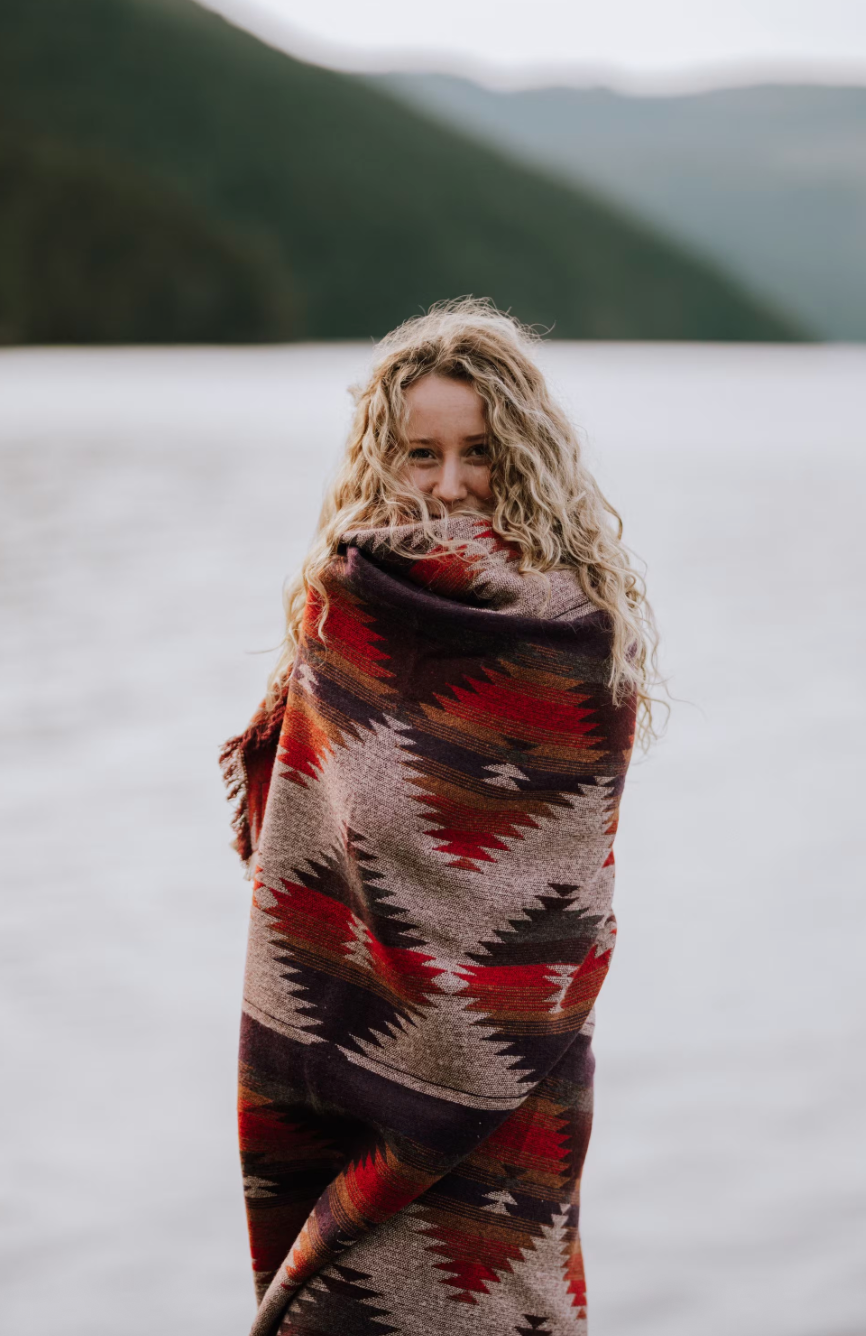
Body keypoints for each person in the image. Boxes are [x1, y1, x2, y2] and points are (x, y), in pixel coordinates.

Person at [221, 298, 657, 1336]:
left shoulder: (575, 637)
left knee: (493, 1302)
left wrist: (468, 1020)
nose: (451, 484)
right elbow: (296, 837)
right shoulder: (343, 609)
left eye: (479, 454)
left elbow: (562, 876)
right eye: (421, 454)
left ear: (525, 457)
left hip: (516, 1069)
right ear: (382, 458)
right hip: (346, 1051)